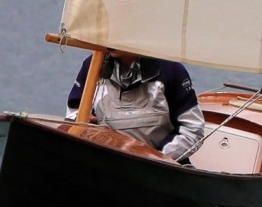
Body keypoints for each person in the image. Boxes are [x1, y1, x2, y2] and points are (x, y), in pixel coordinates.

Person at [66, 49, 205, 162]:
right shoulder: (93, 65)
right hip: (107, 165)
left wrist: (154, 157)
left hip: (161, 170)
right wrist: (86, 126)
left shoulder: (171, 69)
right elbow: (72, 117)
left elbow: (192, 130)